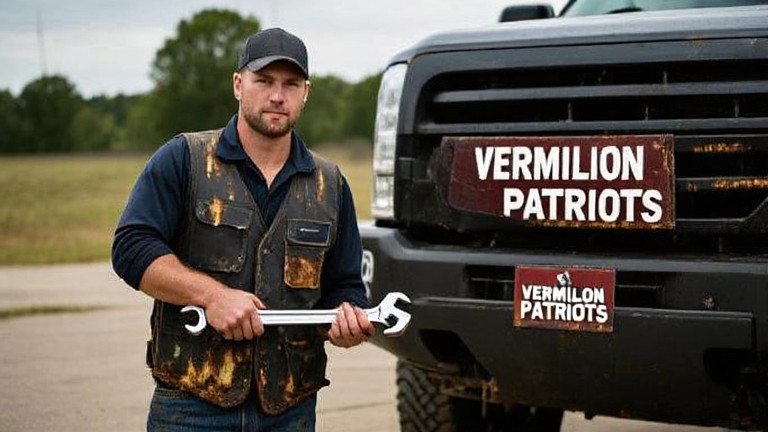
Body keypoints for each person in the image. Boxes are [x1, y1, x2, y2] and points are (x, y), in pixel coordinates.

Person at [111, 27, 374, 432]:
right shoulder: (185, 159)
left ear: (307, 92)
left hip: (290, 410)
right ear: (238, 84)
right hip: (191, 406)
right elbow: (131, 247)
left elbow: (345, 287)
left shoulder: (330, 185)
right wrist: (211, 296)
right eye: (264, 81)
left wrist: (347, 324)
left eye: (291, 84)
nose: (277, 96)